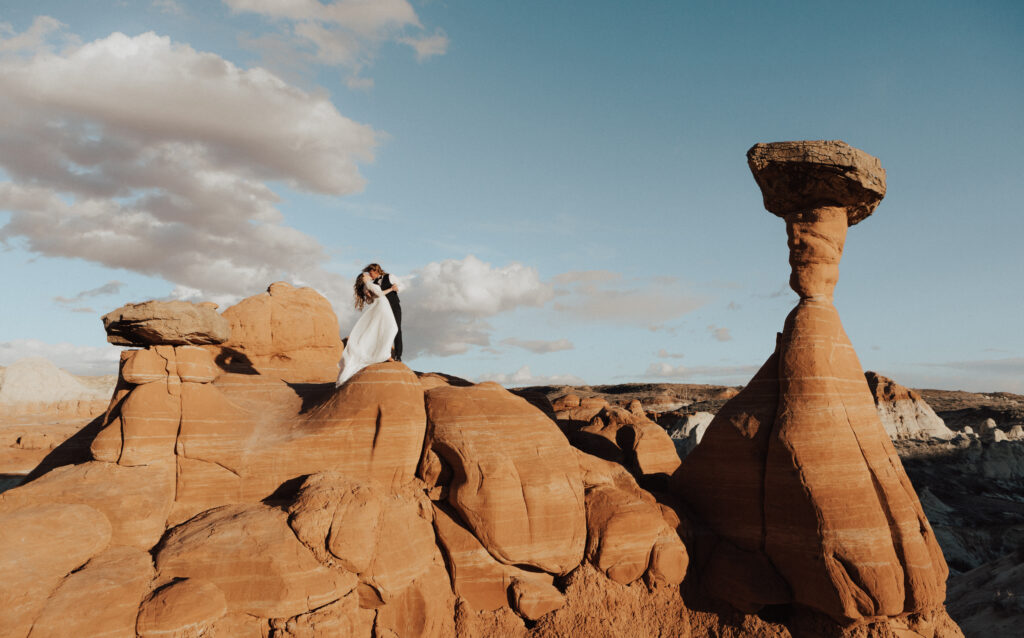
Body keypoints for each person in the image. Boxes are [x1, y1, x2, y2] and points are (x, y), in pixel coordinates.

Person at [335, 266, 399, 387]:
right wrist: (391, 289)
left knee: (387, 328)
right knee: (392, 328)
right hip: (382, 306)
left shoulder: (367, 285)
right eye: (366, 274)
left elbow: (374, 297)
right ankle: (385, 354)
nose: (368, 274)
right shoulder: (368, 284)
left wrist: (374, 294)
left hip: (382, 306)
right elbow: (380, 294)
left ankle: (384, 353)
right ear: (363, 278)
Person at [367, 263, 402, 362]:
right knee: (383, 330)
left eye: (371, 273)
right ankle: (383, 354)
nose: (370, 275)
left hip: (394, 306)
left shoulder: (390, 276)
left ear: (376, 271)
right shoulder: (373, 283)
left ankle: (398, 356)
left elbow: (400, 285)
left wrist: (397, 288)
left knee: (397, 329)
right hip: (382, 309)